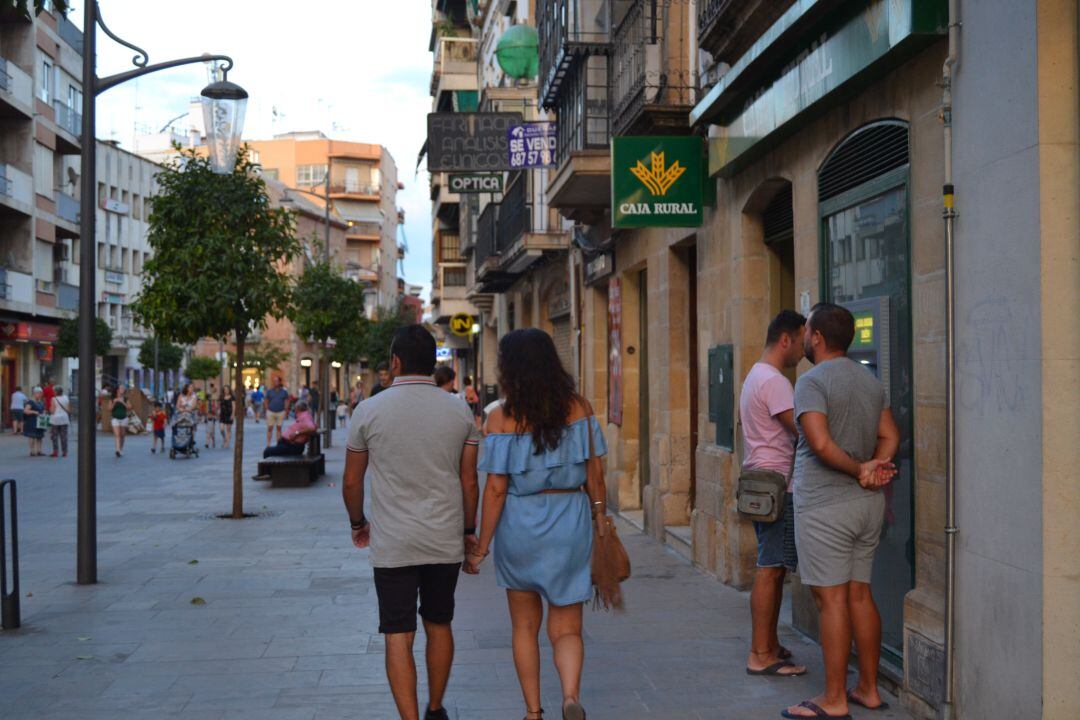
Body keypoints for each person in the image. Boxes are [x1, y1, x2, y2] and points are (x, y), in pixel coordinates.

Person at [342, 325, 480, 720]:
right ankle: (436, 709)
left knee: (397, 634)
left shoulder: (368, 410)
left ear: (395, 362)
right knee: (440, 623)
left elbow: (352, 481)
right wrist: (469, 533)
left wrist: (358, 523)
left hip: (393, 542)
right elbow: (469, 481)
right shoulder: (459, 409)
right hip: (443, 538)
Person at [468, 328, 607, 720]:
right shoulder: (579, 408)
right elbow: (596, 475)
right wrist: (600, 515)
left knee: (524, 628)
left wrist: (482, 547)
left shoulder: (499, 418)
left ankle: (532, 712)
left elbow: (495, 489)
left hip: (521, 526)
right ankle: (569, 697)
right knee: (567, 628)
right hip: (570, 522)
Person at [782, 303, 900, 720]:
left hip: (826, 507)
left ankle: (833, 699)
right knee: (859, 594)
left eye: (807, 331)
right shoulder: (870, 381)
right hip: (865, 506)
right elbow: (890, 434)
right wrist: (876, 467)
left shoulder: (811, 382)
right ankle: (867, 688)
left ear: (815, 337)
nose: (804, 338)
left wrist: (860, 468)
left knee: (830, 601)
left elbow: (819, 443)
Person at [740, 310, 807, 678]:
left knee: (775, 568)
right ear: (786, 339)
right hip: (778, 486)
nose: (802, 349)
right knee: (769, 570)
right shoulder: (776, 381)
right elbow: (802, 430)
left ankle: (769, 644)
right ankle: (760, 653)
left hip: (761, 483)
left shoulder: (754, 375)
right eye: (800, 340)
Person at [265, 376, 290, 446]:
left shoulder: (284, 392)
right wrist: (267, 408)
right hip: (271, 411)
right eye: (274, 381)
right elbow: (266, 400)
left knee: (279, 428)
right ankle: (268, 444)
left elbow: (287, 400)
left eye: (276, 381)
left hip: (280, 411)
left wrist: (286, 409)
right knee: (270, 428)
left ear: (279, 382)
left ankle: (278, 444)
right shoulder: (270, 391)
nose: (275, 382)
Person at [22, 387, 46, 456]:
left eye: (41, 393)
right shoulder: (31, 402)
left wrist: (44, 413)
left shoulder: (40, 402)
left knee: (40, 436)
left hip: (40, 421)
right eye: (40, 393)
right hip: (32, 421)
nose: (41, 395)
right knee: (32, 436)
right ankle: (32, 451)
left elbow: (43, 410)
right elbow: (25, 411)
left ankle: (39, 451)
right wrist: (35, 412)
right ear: (35, 393)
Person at [48, 386, 71, 458]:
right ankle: (65, 452)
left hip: (55, 419)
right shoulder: (66, 398)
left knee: (54, 436)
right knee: (64, 436)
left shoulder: (53, 399)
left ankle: (55, 452)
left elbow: (52, 411)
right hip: (64, 418)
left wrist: (49, 409)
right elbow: (69, 409)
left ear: (56, 392)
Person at [110, 386, 132, 457]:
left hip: (124, 418)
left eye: (123, 389)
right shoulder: (113, 398)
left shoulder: (125, 399)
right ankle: (117, 450)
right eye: (121, 388)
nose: (123, 390)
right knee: (117, 435)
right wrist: (114, 402)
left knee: (122, 435)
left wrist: (123, 402)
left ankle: (120, 449)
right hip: (115, 418)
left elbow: (129, 407)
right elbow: (109, 409)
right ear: (117, 390)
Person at [204, 382, 218, 449]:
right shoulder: (207, 400)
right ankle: (207, 443)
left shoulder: (215, 398)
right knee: (208, 430)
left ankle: (212, 441)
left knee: (212, 431)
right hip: (208, 416)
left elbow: (216, 407)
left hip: (213, 415)